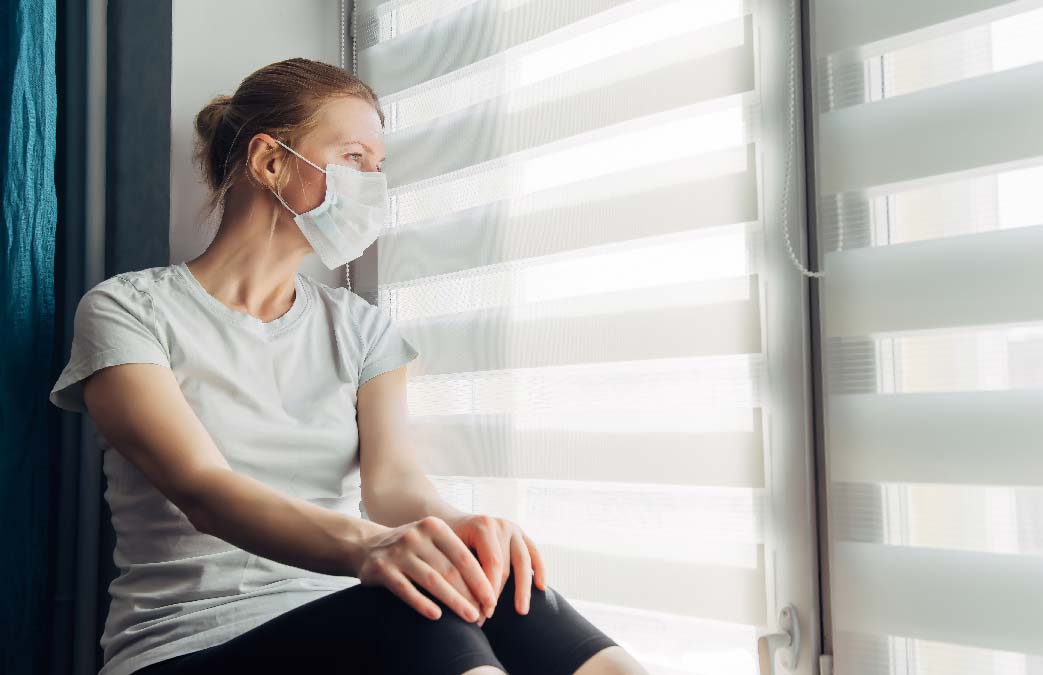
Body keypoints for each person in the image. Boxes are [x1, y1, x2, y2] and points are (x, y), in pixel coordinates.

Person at [48, 57, 649, 675]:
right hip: (191, 643)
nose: (373, 184)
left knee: (514, 595)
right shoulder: (128, 309)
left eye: (379, 167)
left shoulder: (361, 328)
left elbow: (393, 488)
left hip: (349, 622)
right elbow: (204, 491)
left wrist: (465, 531)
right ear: (270, 162)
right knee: (418, 616)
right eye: (354, 158)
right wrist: (374, 547)